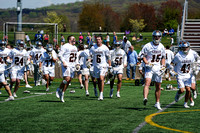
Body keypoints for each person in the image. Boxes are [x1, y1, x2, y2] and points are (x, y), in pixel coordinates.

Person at [140, 30, 166, 110]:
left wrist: (163, 66)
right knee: (147, 82)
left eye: (158, 36)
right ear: (153, 37)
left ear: (160, 37)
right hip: (149, 67)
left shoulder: (161, 46)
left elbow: (163, 58)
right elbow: (143, 56)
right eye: (155, 36)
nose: (156, 38)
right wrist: (147, 62)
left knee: (158, 86)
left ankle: (157, 102)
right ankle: (145, 98)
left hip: (158, 68)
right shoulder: (147, 46)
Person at [173, 40, 196, 108]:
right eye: (183, 47)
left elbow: (193, 64)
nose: (185, 49)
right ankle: (178, 93)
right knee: (182, 90)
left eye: (186, 47)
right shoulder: (178, 55)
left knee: (188, 90)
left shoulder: (191, 55)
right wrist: (173, 71)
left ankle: (185, 103)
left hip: (188, 75)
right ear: (181, 48)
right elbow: (173, 63)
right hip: (180, 75)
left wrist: (194, 69)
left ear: (188, 47)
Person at [87, 35, 111, 100]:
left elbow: (108, 57)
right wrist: (88, 61)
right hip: (95, 65)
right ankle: (100, 92)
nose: (98, 40)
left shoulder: (105, 48)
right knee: (98, 80)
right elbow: (90, 56)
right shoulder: (93, 48)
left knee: (101, 78)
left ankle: (101, 94)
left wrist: (109, 65)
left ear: (101, 40)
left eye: (99, 39)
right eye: (97, 39)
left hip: (103, 65)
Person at [56, 35, 79, 102]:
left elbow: (76, 57)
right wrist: (63, 62)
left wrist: (77, 63)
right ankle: (59, 89)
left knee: (68, 81)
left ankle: (62, 93)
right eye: (73, 39)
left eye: (74, 38)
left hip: (72, 65)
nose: (74, 40)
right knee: (67, 78)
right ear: (69, 40)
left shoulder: (75, 47)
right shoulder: (65, 46)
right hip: (66, 65)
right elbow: (60, 55)